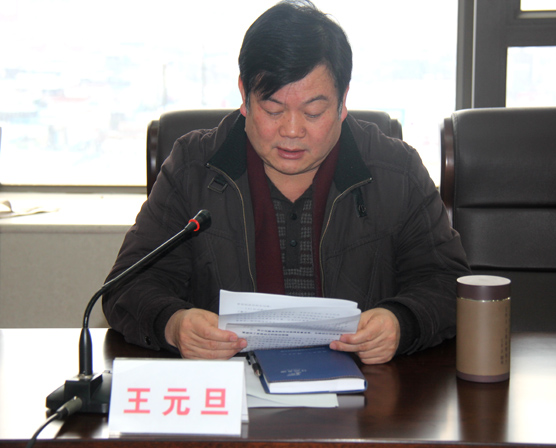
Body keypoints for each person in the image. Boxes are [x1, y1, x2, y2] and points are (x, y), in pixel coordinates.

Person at [102, 0, 470, 365]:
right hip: (232, 388)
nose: (292, 131)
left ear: (342, 101)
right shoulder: (193, 168)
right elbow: (127, 287)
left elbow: (447, 283)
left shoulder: (396, 171)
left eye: (313, 112)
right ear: (245, 96)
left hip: (366, 391)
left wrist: (401, 322)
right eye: (273, 109)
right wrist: (174, 325)